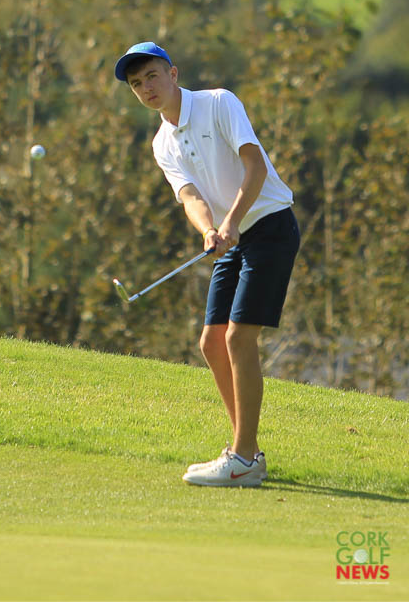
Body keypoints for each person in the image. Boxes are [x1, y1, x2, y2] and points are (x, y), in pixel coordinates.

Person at [114, 41, 300, 487]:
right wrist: (208, 229)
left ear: (173, 73)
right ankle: (247, 452)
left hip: (270, 226)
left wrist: (231, 220)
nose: (146, 87)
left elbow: (255, 167)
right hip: (230, 239)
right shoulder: (162, 143)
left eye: (152, 76)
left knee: (238, 337)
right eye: (137, 84)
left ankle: (242, 458)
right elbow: (190, 197)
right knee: (211, 342)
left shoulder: (219, 103)